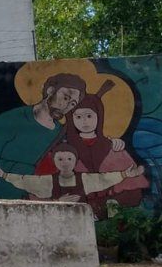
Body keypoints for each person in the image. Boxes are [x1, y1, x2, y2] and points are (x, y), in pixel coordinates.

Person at [0, 73, 86, 199]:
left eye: (72, 104)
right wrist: (14, 172)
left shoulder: (59, 132)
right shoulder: (16, 118)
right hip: (0, 190)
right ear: (50, 90)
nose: (66, 106)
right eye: (65, 97)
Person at [35, 84, 147, 217]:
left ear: (99, 116)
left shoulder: (114, 149)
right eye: (78, 117)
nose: (84, 121)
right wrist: (57, 202)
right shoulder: (61, 151)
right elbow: (40, 189)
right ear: (71, 119)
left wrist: (101, 205)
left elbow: (134, 192)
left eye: (89, 116)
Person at [0, 144, 145, 203]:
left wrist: (126, 174)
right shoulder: (48, 181)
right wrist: (4, 175)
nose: (65, 162)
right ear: (55, 161)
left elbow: (104, 179)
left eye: (69, 159)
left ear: (75, 161)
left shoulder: (85, 179)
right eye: (60, 159)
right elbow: (25, 181)